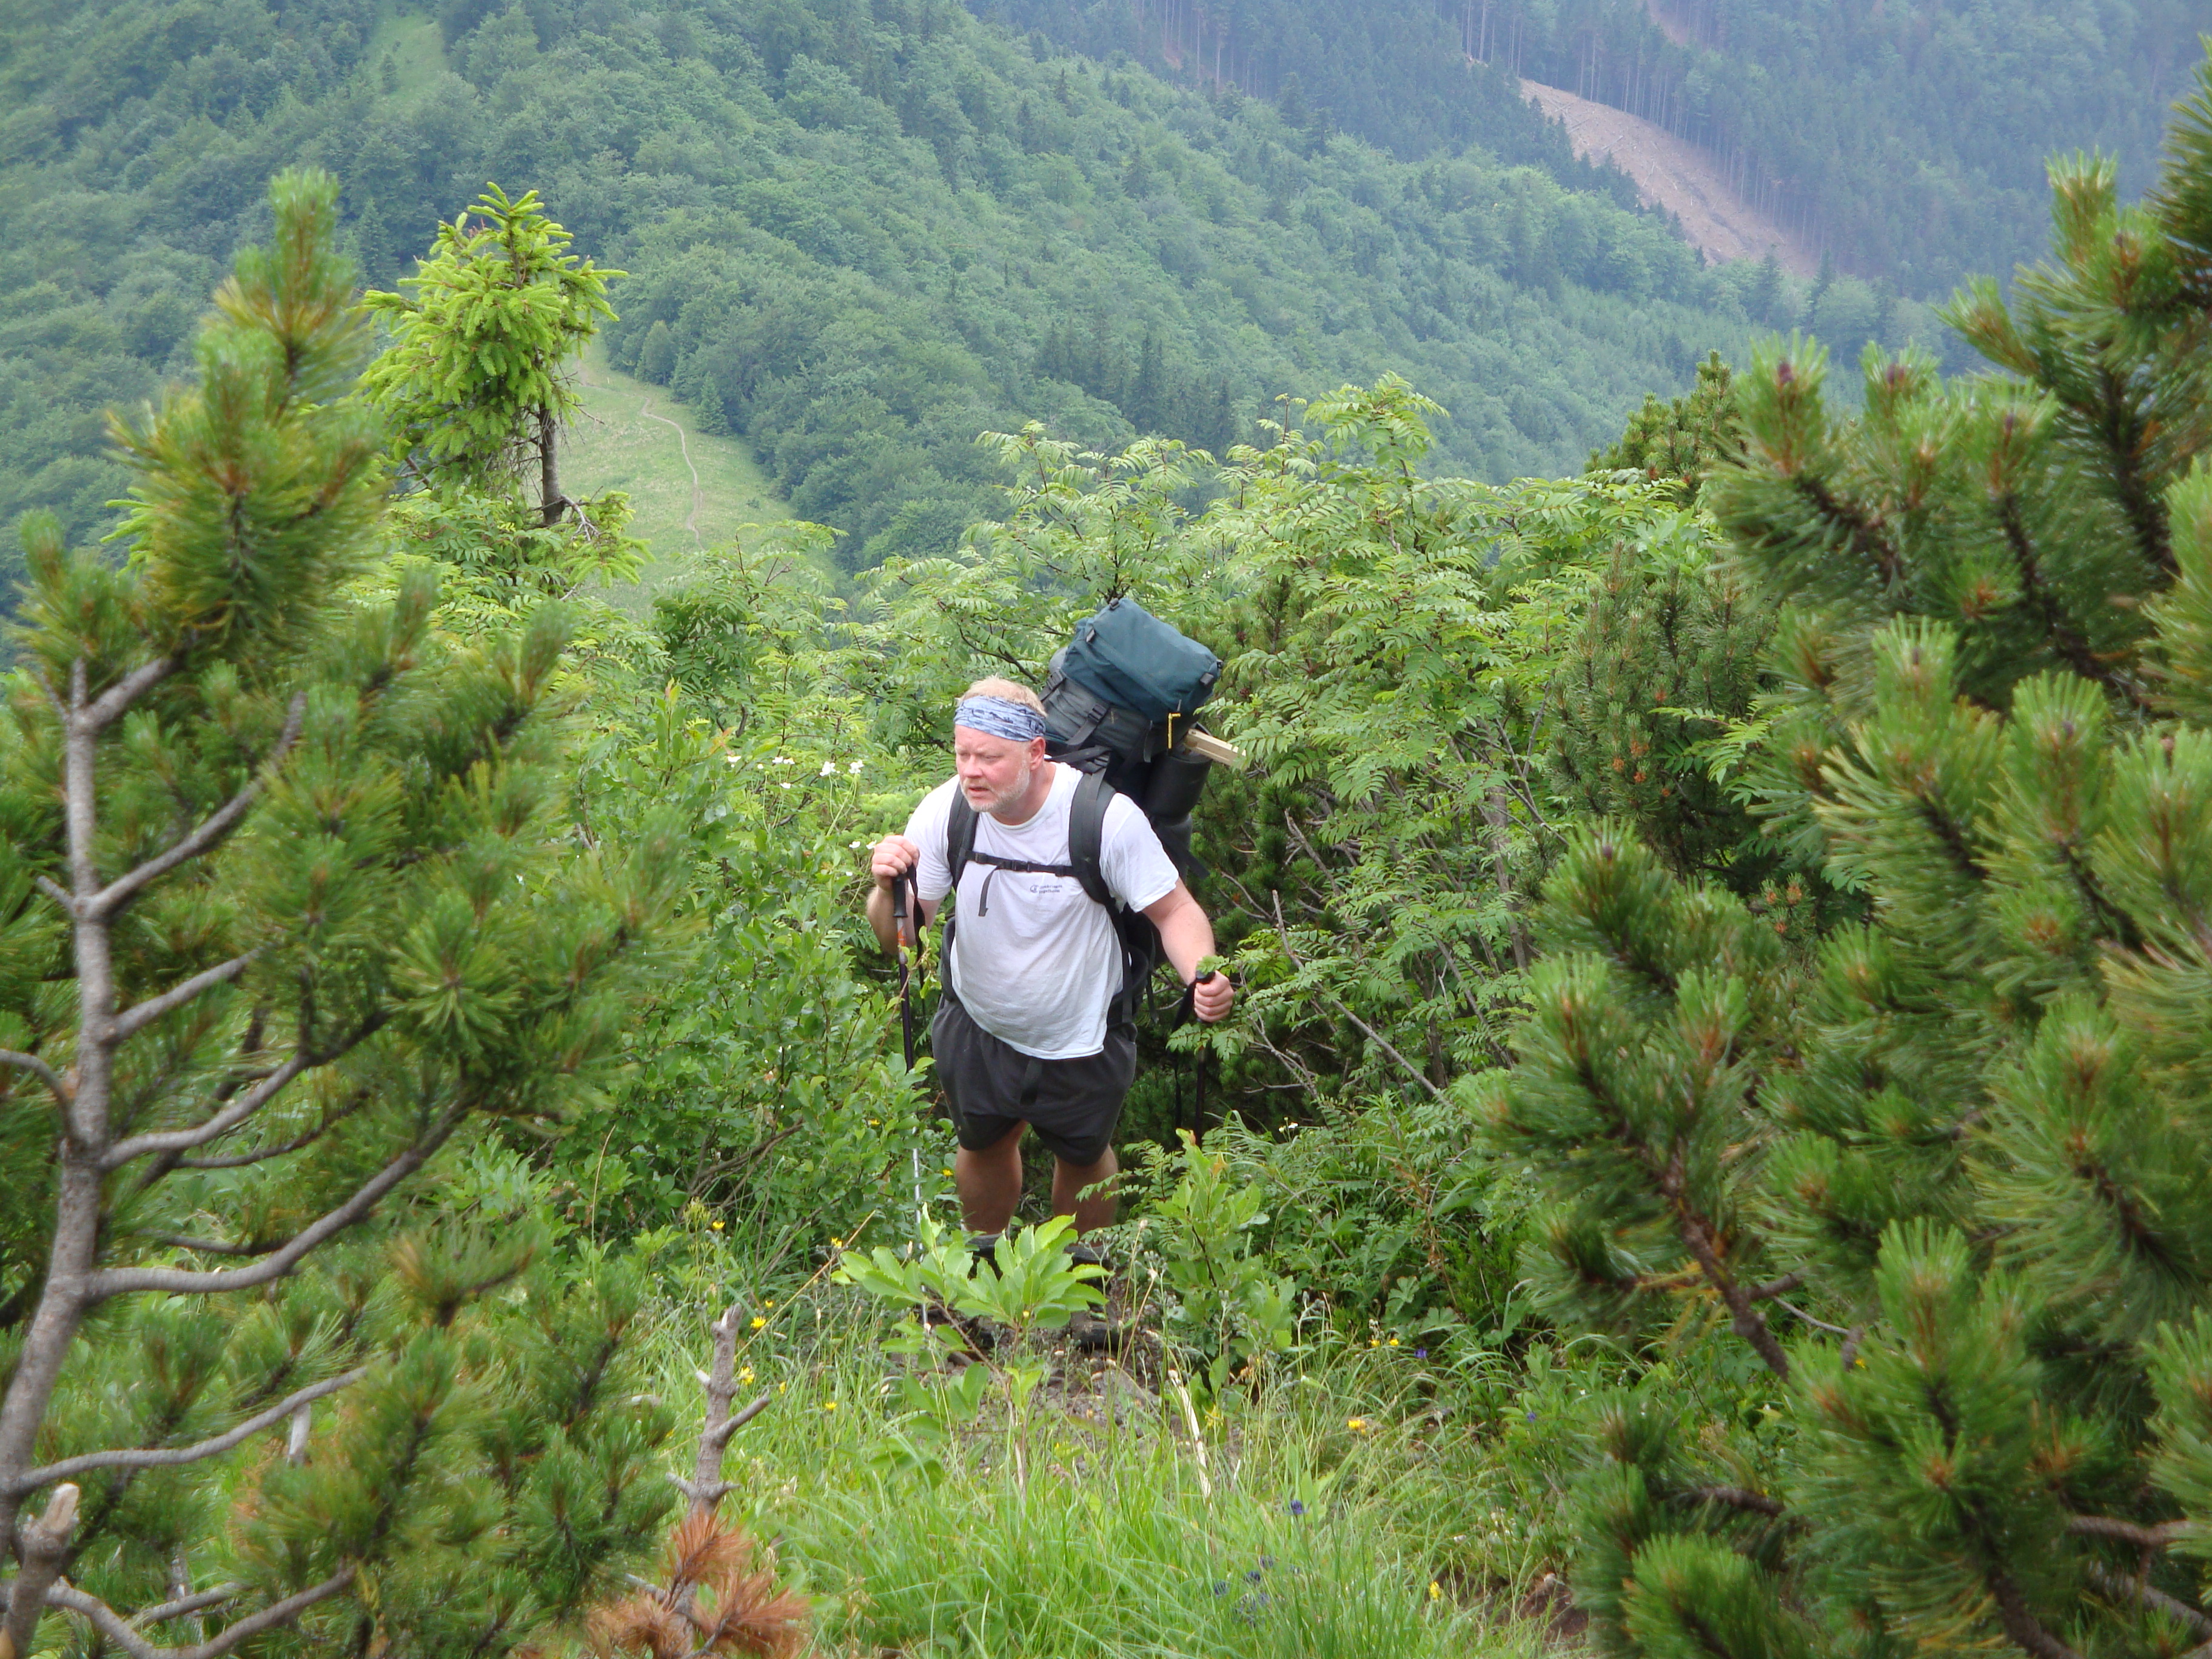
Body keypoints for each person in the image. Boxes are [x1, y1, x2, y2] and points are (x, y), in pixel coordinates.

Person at [868, 677, 1234, 1256]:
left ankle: (1078, 1277)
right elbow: (904, 939)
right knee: (983, 1143)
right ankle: (984, 1263)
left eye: (989, 758)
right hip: (979, 1025)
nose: (971, 772)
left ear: (1036, 752)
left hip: (1083, 1034)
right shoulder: (947, 810)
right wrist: (887, 889)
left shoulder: (1102, 817)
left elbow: (1175, 911)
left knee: (1084, 1154)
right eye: (963, 754)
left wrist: (1202, 975)